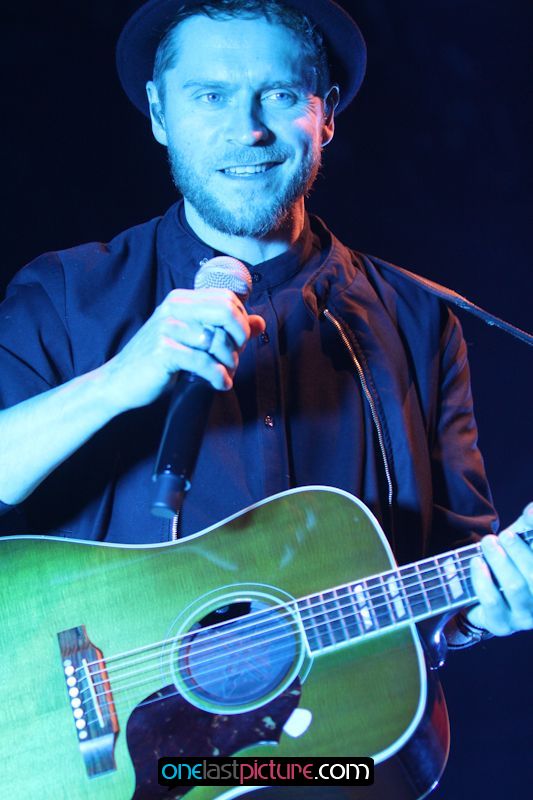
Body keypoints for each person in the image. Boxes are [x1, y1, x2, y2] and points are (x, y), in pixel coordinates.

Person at [0, 0, 531, 712]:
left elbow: (457, 570)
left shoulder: (420, 322)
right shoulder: (65, 294)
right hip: (105, 749)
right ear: (159, 114)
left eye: (279, 95)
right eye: (209, 96)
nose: (247, 129)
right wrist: (115, 382)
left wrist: (481, 613)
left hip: (337, 757)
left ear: (326, 114)